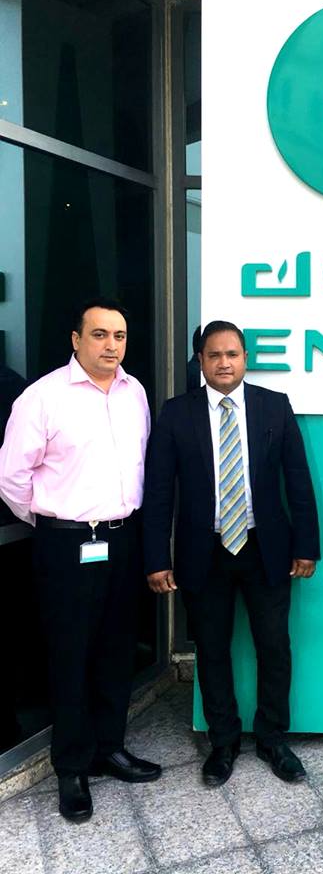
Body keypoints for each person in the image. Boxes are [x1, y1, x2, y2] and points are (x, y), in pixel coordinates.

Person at [0, 299, 161, 824]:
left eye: (119, 336)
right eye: (99, 334)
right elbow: (12, 479)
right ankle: (71, 768)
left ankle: (109, 748)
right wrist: (53, 523)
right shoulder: (42, 397)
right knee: (69, 656)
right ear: (76, 339)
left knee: (116, 650)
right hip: (65, 545)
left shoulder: (135, 393)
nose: (111, 345)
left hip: (122, 538)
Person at [143, 320, 320, 788]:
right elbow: (159, 491)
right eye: (214, 355)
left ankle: (272, 738)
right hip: (205, 551)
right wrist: (157, 557)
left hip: (266, 548)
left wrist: (306, 545)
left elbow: (297, 480)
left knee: (274, 646)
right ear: (201, 361)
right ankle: (223, 742)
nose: (224, 363)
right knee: (213, 648)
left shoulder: (273, 406)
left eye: (232, 354)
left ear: (245, 358)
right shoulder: (176, 413)